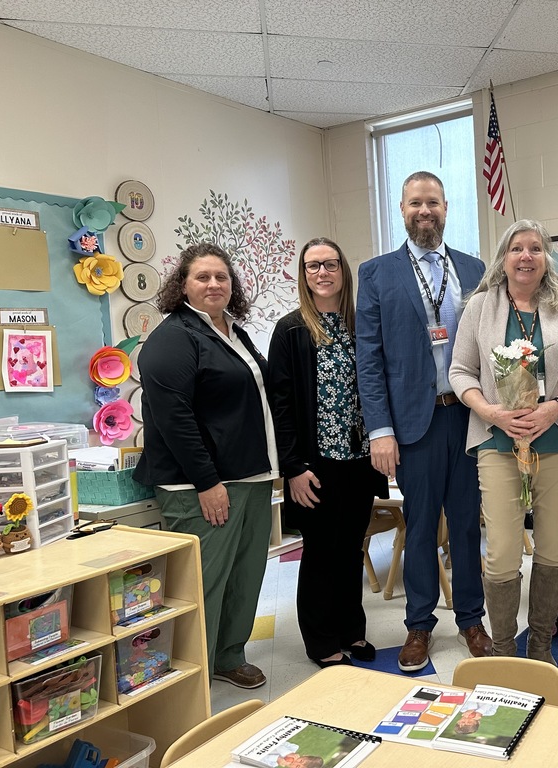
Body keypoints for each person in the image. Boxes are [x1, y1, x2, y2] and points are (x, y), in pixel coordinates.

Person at [356, 171, 492, 672]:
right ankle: (418, 625)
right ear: (402, 210)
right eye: (415, 203)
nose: (424, 211)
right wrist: (380, 430)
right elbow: (368, 359)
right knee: (418, 527)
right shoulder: (376, 274)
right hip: (413, 425)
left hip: (470, 418)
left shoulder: (475, 269)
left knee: (465, 524)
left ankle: (472, 620)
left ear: (446, 207)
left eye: (432, 202)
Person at [134, 241, 277, 689]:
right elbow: (174, 419)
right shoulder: (172, 339)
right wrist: (207, 482)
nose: (214, 284)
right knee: (204, 583)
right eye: (203, 277)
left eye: (222, 277)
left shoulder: (233, 331)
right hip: (202, 485)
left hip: (250, 476)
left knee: (245, 574)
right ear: (182, 286)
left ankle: (228, 654)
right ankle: (193, 669)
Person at [449, 219, 558, 664]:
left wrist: (556, 407)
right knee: (504, 551)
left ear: (546, 257)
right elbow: (460, 372)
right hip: (496, 441)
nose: (526, 256)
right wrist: (491, 412)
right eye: (517, 248)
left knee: (552, 548)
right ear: (504, 258)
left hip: (557, 441)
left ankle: (542, 645)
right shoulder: (480, 307)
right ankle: (505, 650)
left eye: (535, 248)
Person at [267, 237, 388, 669]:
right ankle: (321, 642)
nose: (322, 273)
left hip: (358, 460)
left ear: (343, 270)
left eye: (330, 264)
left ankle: (352, 631)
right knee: (320, 551)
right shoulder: (291, 329)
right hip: (314, 465)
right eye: (312, 266)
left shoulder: (362, 323)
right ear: (303, 275)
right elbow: (280, 405)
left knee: (351, 548)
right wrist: (293, 467)